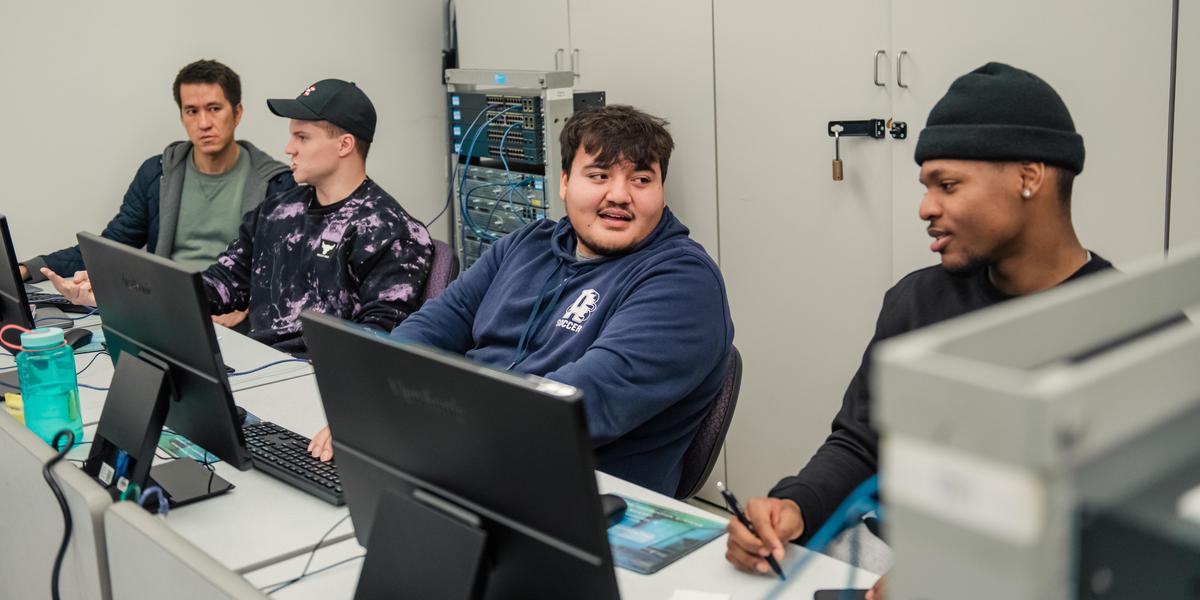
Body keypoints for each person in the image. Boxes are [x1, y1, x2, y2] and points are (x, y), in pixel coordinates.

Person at [723, 63, 1105, 597]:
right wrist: (796, 506)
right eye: (927, 187)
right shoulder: (918, 301)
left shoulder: (1129, 331)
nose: (926, 208)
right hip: (883, 556)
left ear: (1029, 177)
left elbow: (1120, 535)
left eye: (947, 185)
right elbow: (862, 443)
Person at [308, 105, 734, 496]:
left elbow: (580, 401)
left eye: (642, 180)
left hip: (578, 501)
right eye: (600, 175)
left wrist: (424, 429)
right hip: (467, 463)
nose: (620, 195)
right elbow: (437, 323)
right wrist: (374, 405)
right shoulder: (527, 245)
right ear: (565, 183)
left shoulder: (682, 282)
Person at [47, 79, 433, 355]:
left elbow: (380, 338)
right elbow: (219, 285)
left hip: (321, 385)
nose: (288, 148)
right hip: (255, 364)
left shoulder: (391, 230)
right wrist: (116, 293)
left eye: (302, 138)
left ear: (345, 144)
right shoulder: (278, 210)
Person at [23, 59, 295, 328]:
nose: (203, 123)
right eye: (191, 111)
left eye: (214, 109)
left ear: (237, 113)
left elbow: (289, 272)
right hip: (166, 310)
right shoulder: (157, 174)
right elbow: (114, 245)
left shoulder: (278, 185)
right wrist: (28, 269)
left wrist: (247, 308)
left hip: (233, 318)